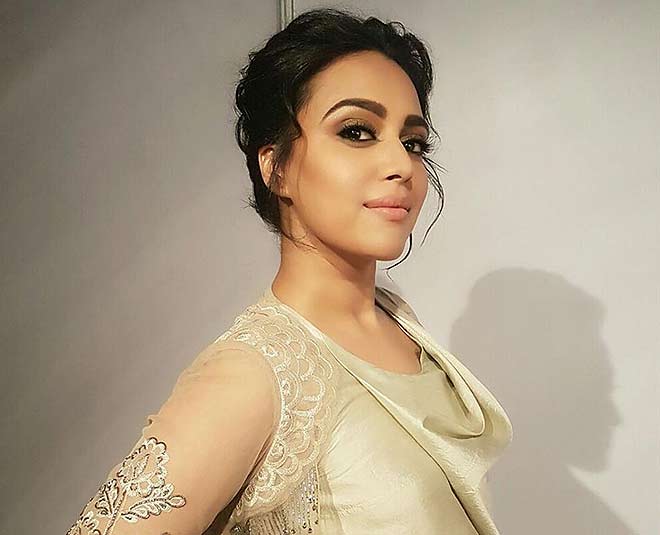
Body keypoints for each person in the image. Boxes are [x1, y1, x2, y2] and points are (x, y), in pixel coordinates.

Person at [67, 7, 513, 535]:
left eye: (412, 142)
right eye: (357, 131)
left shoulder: (399, 323)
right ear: (275, 166)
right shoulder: (255, 374)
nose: (401, 165)